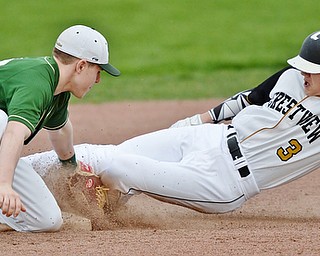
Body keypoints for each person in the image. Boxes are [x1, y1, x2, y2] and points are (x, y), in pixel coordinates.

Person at [23, 30, 320, 216]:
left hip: (225, 182)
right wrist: (197, 121)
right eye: (302, 66)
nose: (302, 73)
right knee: (104, 153)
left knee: (119, 169)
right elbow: (249, 98)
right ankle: (17, 171)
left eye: (311, 70)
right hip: (210, 138)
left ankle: (93, 211)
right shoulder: (293, 75)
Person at [0, 24, 120, 232]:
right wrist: (4, 185)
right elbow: (13, 133)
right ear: (81, 66)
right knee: (2, 122)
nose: (98, 80)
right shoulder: (36, 83)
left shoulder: (57, 89)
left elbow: (61, 131)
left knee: (46, 220)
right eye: (98, 71)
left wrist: (70, 168)